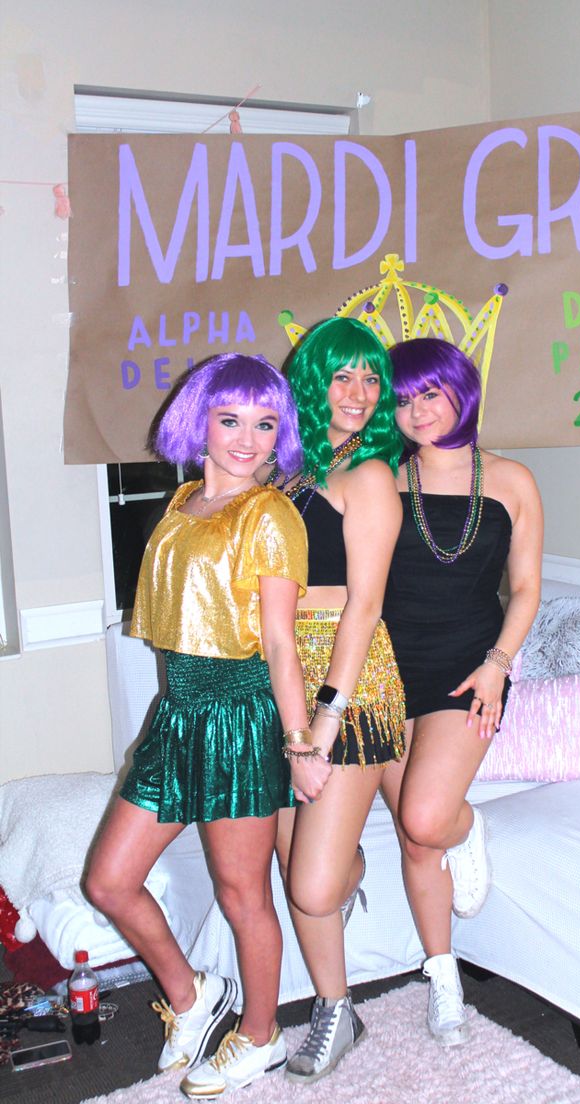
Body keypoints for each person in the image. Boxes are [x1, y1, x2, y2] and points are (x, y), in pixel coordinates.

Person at [86, 353, 331, 1099]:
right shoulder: (185, 500)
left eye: (265, 424)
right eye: (231, 421)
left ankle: (260, 1035)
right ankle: (194, 999)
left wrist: (298, 744)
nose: (248, 439)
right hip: (179, 714)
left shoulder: (270, 514)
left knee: (242, 894)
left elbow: (282, 642)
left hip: (237, 713)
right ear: (201, 422)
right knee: (108, 881)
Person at [379, 337, 543, 1047]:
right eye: (403, 399)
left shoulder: (511, 480)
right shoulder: (379, 478)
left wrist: (499, 663)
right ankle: (443, 979)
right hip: (385, 675)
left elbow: (529, 587)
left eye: (428, 394)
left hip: (467, 675)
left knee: (424, 818)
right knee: (417, 843)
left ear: (460, 392)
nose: (415, 411)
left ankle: (465, 825)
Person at [267, 316, 406, 1083]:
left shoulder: (371, 477)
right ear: (312, 383)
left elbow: (363, 606)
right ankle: (335, 1006)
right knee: (295, 871)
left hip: (348, 685)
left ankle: (345, 868)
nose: (357, 393)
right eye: (341, 376)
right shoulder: (287, 474)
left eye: (370, 378)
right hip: (284, 678)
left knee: (314, 884)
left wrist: (324, 716)